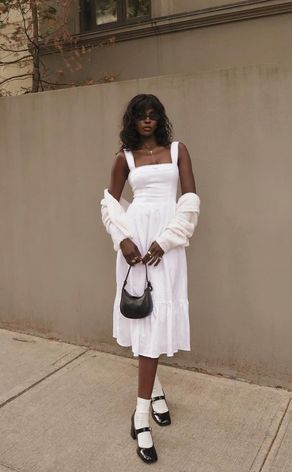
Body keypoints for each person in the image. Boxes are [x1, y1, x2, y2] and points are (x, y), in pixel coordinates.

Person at [100, 94, 200, 464]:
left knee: (158, 320)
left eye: (153, 114)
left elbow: (189, 200)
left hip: (167, 246)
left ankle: (149, 398)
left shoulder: (178, 151)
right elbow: (109, 206)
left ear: (160, 119)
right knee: (143, 320)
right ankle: (142, 414)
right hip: (136, 247)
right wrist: (123, 240)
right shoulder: (123, 159)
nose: (147, 120)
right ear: (132, 120)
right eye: (141, 116)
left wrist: (167, 239)